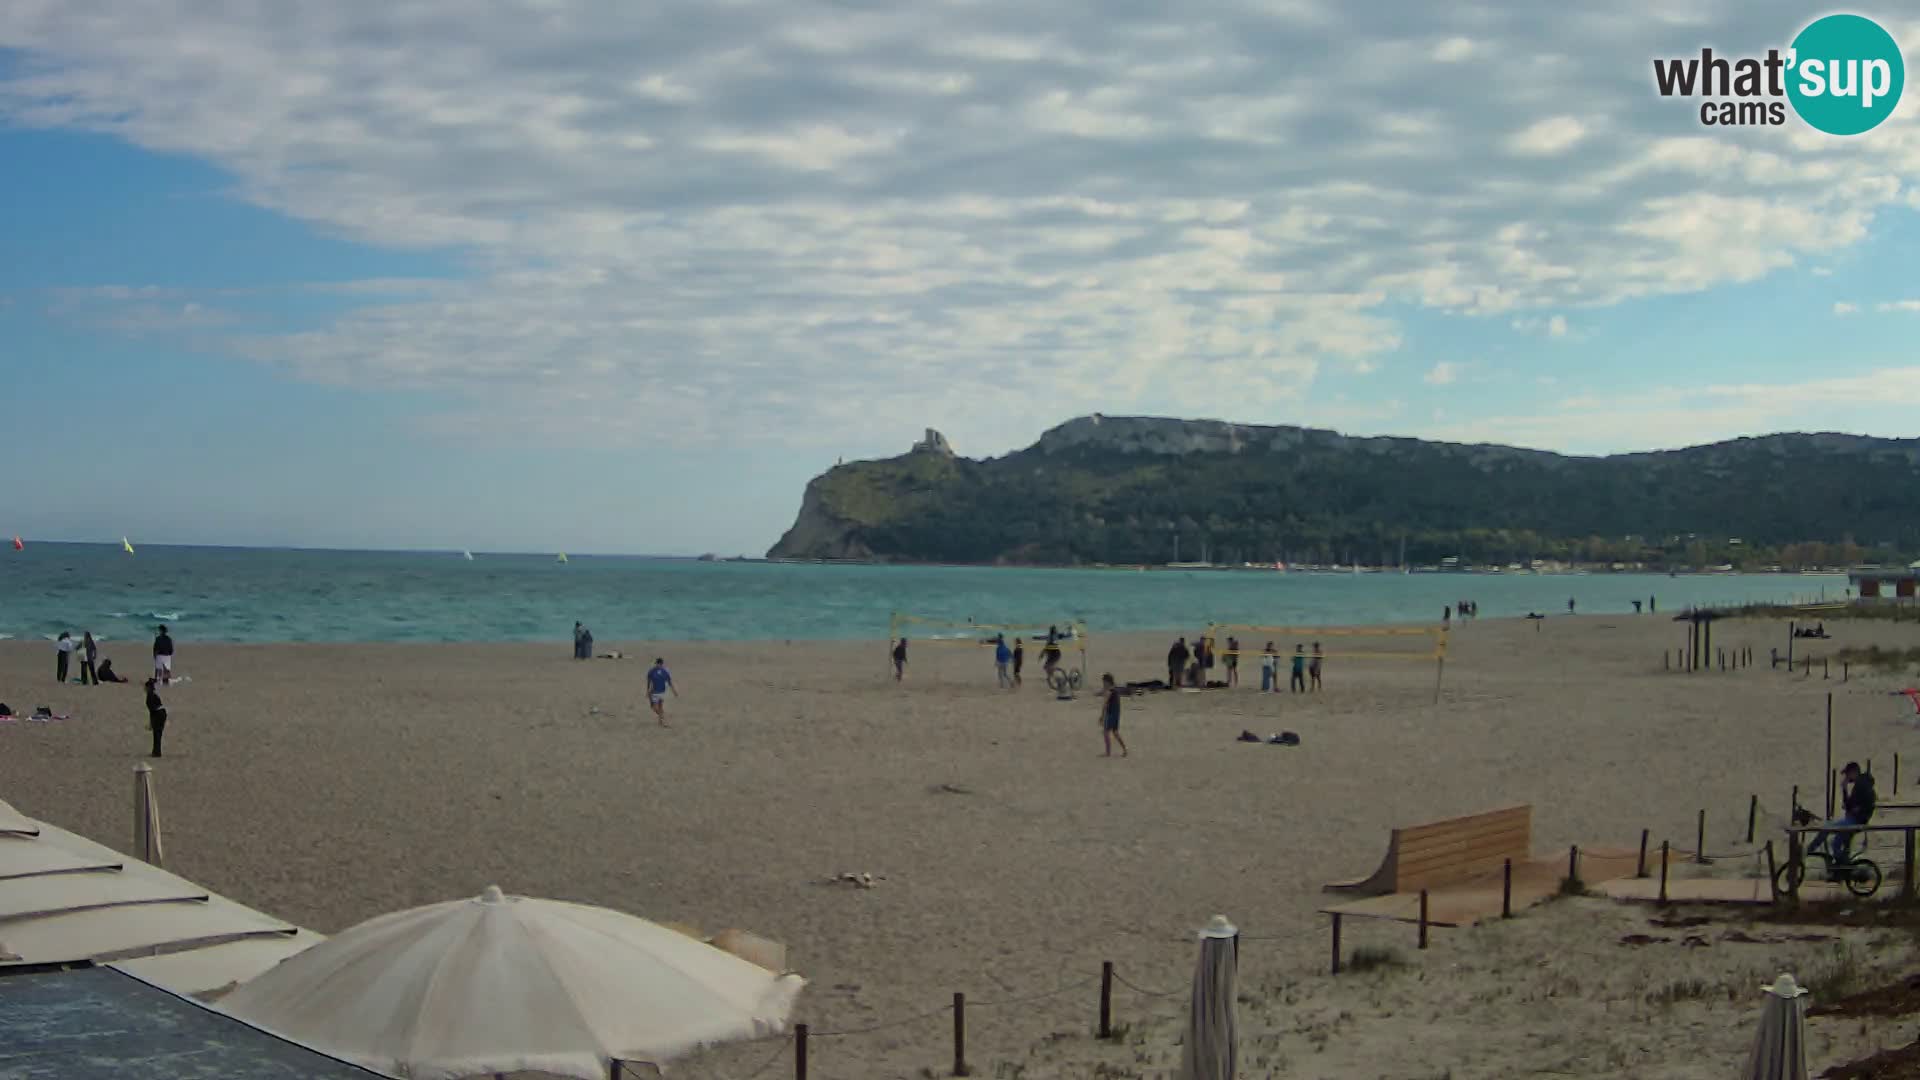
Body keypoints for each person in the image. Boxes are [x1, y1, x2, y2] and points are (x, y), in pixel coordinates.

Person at [1813, 762, 1876, 872]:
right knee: (1835, 842)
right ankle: (1842, 867)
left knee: (1827, 828)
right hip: (1856, 820)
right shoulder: (1862, 784)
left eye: (1847, 774)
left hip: (1855, 821)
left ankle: (1809, 850)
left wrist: (1846, 791)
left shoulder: (1861, 784)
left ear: (1853, 772)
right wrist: (1852, 804)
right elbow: (1850, 805)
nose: (1847, 777)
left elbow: (1851, 805)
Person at [1098, 673, 1128, 758]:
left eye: (1104, 682)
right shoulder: (1114, 690)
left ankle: (1107, 752)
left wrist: (1102, 716)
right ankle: (1125, 749)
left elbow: (1105, 704)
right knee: (1115, 733)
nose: (1103, 684)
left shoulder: (1109, 692)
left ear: (1107, 682)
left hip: (1111, 714)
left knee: (1105, 732)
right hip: (1116, 714)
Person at [645, 658, 677, 726]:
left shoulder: (665, 671)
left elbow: (669, 682)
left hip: (662, 692)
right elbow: (648, 681)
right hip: (654, 692)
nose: (657, 665)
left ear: (661, 664)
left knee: (660, 707)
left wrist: (674, 691)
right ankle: (662, 717)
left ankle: (661, 721)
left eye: (658, 664)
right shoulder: (651, 671)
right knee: (654, 708)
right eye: (656, 663)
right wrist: (647, 691)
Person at [144, 678, 168, 757]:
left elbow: (152, 711)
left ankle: (156, 752)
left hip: (158, 714)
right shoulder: (154, 694)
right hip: (162, 713)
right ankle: (156, 751)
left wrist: (151, 723)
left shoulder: (149, 697)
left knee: (157, 734)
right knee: (158, 734)